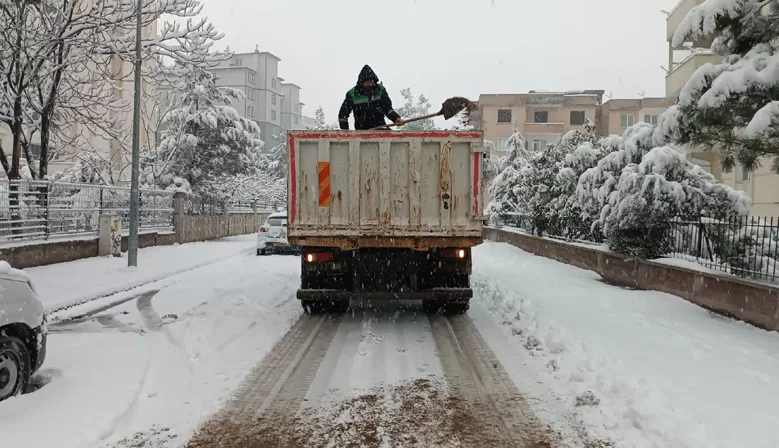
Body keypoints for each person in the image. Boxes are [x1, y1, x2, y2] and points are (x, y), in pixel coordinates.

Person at [338, 65, 404, 130]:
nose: (369, 84)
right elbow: (343, 114)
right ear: (361, 82)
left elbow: (387, 109)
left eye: (371, 82)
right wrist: (345, 131)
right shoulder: (352, 94)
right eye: (366, 82)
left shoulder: (380, 90)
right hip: (361, 131)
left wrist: (396, 118)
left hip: (380, 128)